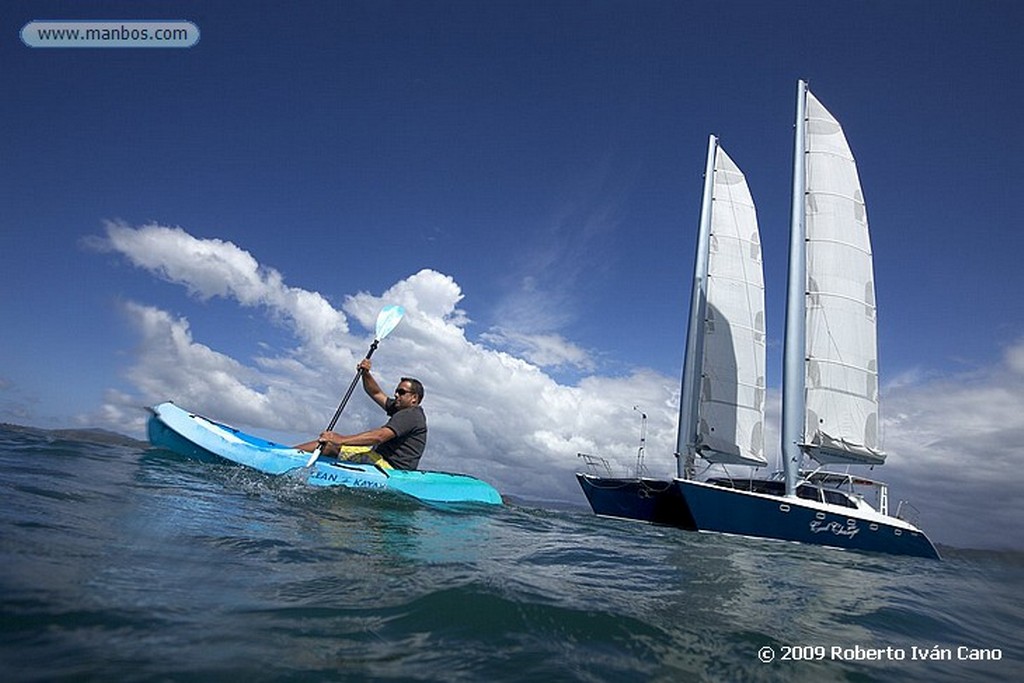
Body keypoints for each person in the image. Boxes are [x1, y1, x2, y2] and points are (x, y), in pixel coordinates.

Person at [296, 359, 427, 470]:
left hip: (391, 469)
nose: (396, 394)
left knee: (330, 445)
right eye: (396, 391)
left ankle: (286, 455)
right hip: (380, 460)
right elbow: (376, 393)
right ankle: (290, 454)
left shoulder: (411, 415)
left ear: (414, 398)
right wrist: (366, 374)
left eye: (401, 392)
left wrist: (340, 440)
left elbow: (379, 436)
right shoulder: (400, 409)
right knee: (334, 446)